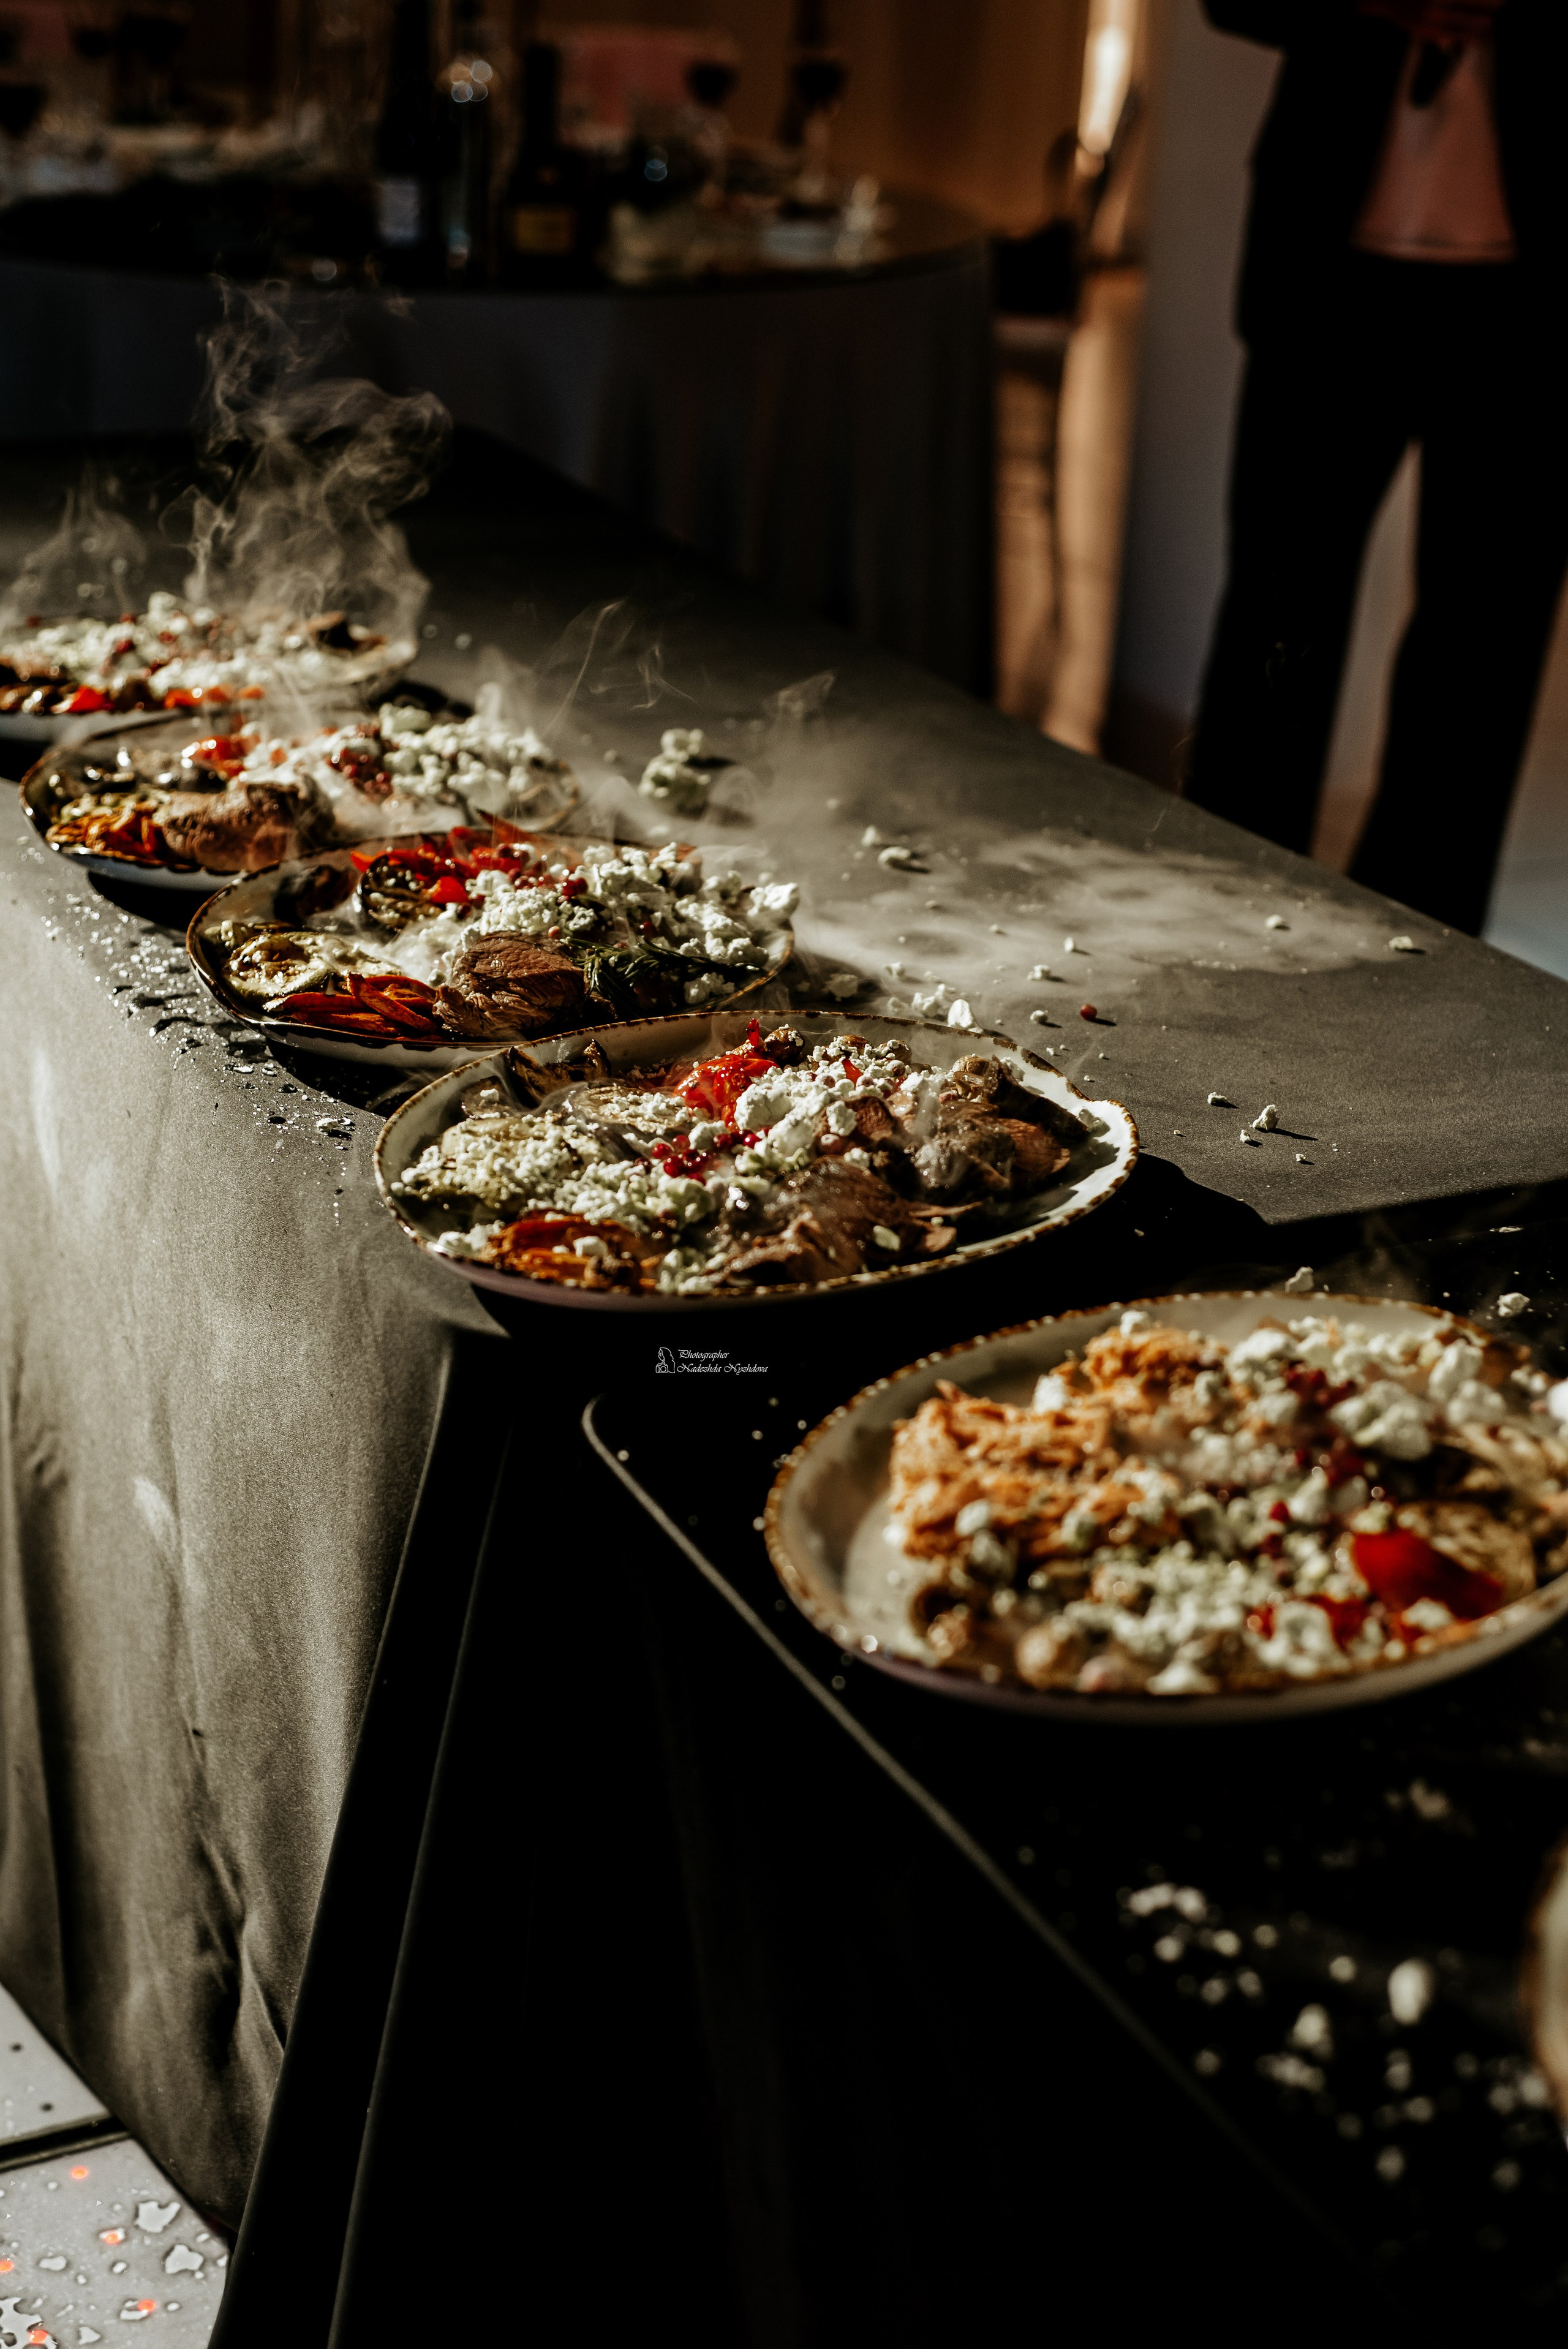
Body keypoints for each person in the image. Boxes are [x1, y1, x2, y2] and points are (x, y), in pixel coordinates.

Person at [1185, 0, 1568, 934]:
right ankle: (1213, 914)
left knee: (1485, 646)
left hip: (1533, 298)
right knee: (1278, 618)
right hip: (1326, 270)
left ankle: (1421, 950)